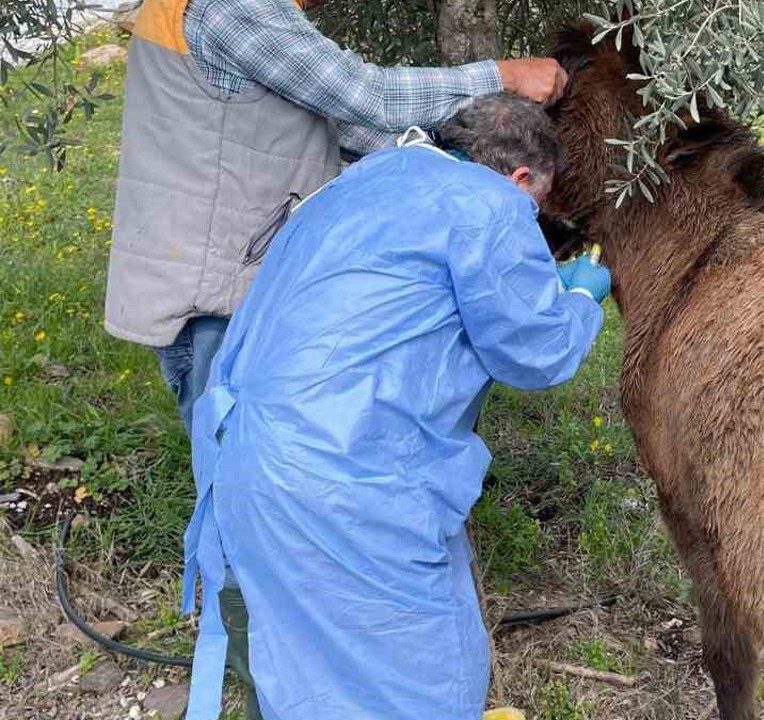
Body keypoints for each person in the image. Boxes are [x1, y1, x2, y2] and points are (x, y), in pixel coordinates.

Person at [104, 0, 567, 714]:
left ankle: (304, 685)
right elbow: (369, 97)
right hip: (224, 306)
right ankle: (278, 689)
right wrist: (499, 76)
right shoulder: (232, 7)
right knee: (273, 517)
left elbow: (349, 128)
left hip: (248, 299)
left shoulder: (259, 39)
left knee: (270, 504)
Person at [181, 94, 611, 720]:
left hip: (245, 459)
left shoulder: (360, 179)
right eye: (536, 205)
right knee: (417, 677)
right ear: (521, 178)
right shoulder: (487, 203)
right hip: (347, 481)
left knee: (303, 664)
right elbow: (535, 351)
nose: (531, 218)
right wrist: (578, 299)